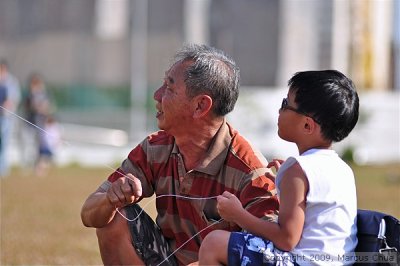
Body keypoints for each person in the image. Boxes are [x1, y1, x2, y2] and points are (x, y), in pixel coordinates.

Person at [81, 44, 279, 265]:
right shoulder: (154, 148)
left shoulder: (249, 170)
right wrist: (110, 199)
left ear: (200, 105)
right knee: (116, 216)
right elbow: (88, 214)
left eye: (169, 87)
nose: (156, 95)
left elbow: (270, 252)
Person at [199, 70, 359, 266]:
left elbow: (287, 239)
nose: (279, 110)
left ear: (307, 126)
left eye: (286, 104)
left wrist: (238, 215)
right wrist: (287, 183)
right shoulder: (341, 168)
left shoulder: (298, 170)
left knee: (214, 243)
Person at [0, 59, 21, 177]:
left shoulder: (11, 81)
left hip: (6, 117)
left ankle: (3, 169)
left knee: (4, 143)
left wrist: (9, 103)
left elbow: (15, 97)